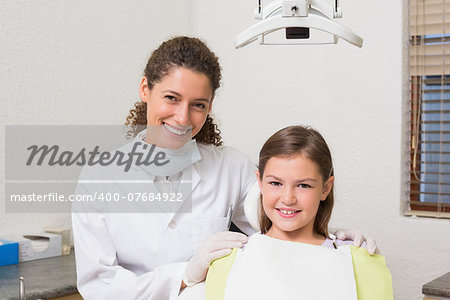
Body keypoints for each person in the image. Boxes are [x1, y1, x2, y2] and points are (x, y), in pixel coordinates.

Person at [72, 37, 377, 300]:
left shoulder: (230, 166)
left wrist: (331, 237)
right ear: (145, 89)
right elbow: (100, 286)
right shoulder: (98, 178)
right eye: (171, 98)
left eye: (198, 104)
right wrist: (185, 273)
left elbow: (279, 218)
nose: (182, 117)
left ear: (210, 104)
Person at [199, 125, 392, 300]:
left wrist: (357, 254)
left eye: (303, 185)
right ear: (260, 182)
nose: (288, 198)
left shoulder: (357, 259)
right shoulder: (230, 259)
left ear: (326, 188)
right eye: (275, 183)